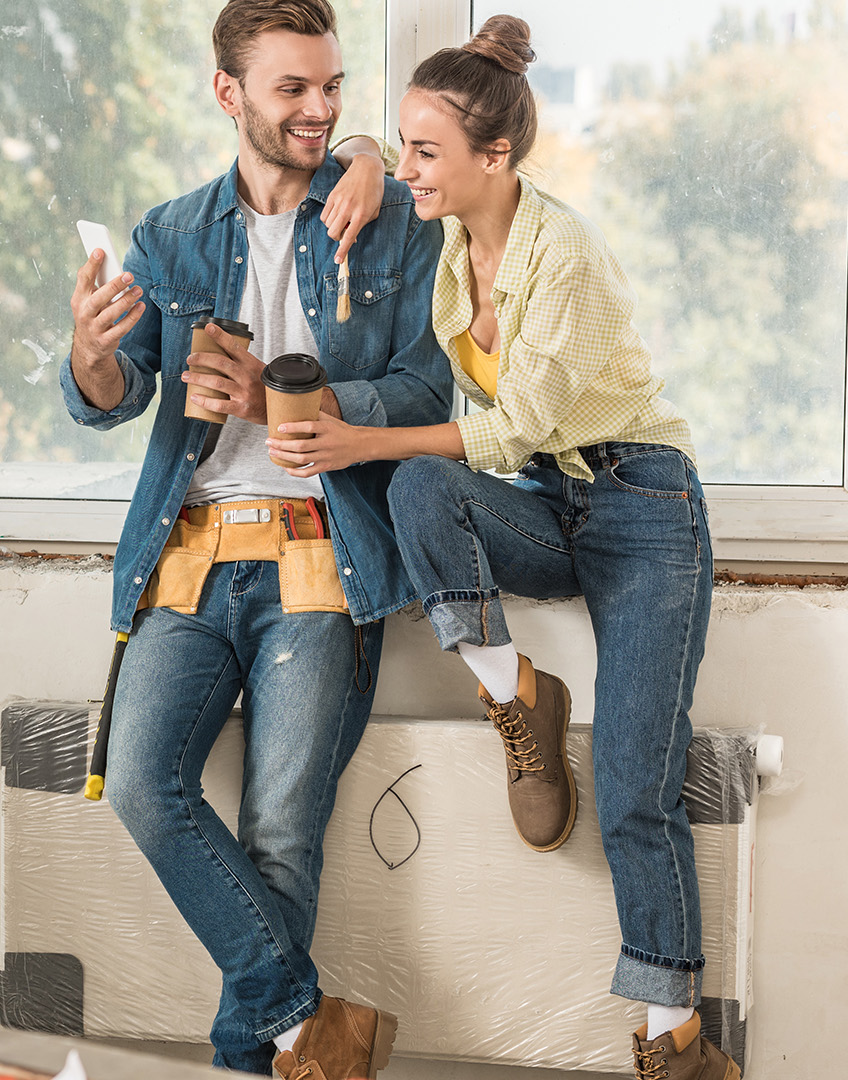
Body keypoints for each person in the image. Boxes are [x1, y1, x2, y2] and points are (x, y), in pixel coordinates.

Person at [264, 16, 736, 1080]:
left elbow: (509, 425)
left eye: (429, 153)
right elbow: (349, 155)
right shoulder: (444, 230)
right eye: (408, 148)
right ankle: (514, 690)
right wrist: (375, 150)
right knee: (424, 487)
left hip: (644, 508)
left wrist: (356, 438)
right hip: (546, 502)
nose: (410, 171)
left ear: (498, 158)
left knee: (631, 784)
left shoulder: (560, 255)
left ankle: (678, 1044)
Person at [63, 1, 451, 1074]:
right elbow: (107, 393)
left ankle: (273, 1052)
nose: (321, 109)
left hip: (323, 552)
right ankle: (311, 1027)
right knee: (142, 784)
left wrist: (289, 404)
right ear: (228, 93)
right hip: (189, 554)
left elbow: (429, 383)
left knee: (282, 832)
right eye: (294, 89)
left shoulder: (388, 221)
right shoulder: (171, 236)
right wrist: (95, 357)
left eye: (332, 87)